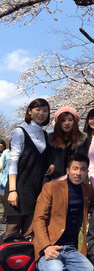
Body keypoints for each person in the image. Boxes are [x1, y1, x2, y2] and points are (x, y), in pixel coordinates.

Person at [33, 153, 94, 271]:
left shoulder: (87, 190)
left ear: (87, 172)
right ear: (68, 170)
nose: (78, 173)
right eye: (75, 168)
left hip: (71, 248)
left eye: (83, 169)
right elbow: (38, 218)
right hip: (50, 246)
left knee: (89, 269)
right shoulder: (51, 187)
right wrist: (46, 247)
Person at [4, 98, 52, 238]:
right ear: (30, 111)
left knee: (29, 232)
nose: (41, 113)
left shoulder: (45, 135)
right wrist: (13, 190)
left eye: (45, 110)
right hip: (19, 187)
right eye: (37, 109)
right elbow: (13, 162)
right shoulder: (20, 131)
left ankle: (27, 261)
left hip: (36, 190)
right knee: (12, 232)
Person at [46, 106, 89, 182]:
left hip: (77, 180)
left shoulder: (83, 139)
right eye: (63, 120)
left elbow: (88, 159)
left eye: (70, 120)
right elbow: (45, 157)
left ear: (75, 122)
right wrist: (50, 164)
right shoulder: (50, 138)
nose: (67, 123)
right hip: (54, 180)